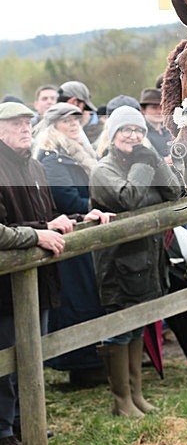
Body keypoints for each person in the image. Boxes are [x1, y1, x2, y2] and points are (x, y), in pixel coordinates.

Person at [89, 105, 183, 417]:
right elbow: (128, 198)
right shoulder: (103, 169)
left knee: (138, 325)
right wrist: (145, 164)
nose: (133, 135)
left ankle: (136, 395)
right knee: (120, 327)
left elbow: (175, 192)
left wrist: (154, 159)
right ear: (113, 134)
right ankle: (121, 400)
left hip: (148, 261)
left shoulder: (144, 159)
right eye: (126, 130)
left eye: (139, 130)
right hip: (119, 265)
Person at [0, 101, 75, 445]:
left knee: (34, 354)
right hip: (5, 287)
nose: (24, 128)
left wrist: (79, 216)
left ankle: (25, 422)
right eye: (15, 124)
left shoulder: (33, 165)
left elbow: (47, 216)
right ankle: (3, 432)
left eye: (27, 122)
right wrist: (39, 233)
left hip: (40, 281)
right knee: (8, 359)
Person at [34, 102, 112, 387]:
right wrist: (95, 206)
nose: (73, 124)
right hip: (69, 237)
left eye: (76, 119)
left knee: (88, 297)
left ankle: (92, 362)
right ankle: (79, 364)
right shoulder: (51, 157)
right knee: (75, 301)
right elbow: (64, 198)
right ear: (53, 125)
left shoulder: (77, 151)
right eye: (66, 120)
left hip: (82, 233)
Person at [139, 87, 173, 163]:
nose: (159, 112)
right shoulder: (140, 133)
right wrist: (163, 161)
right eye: (154, 108)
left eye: (162, 107)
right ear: (143, 110)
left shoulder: (169, 130)